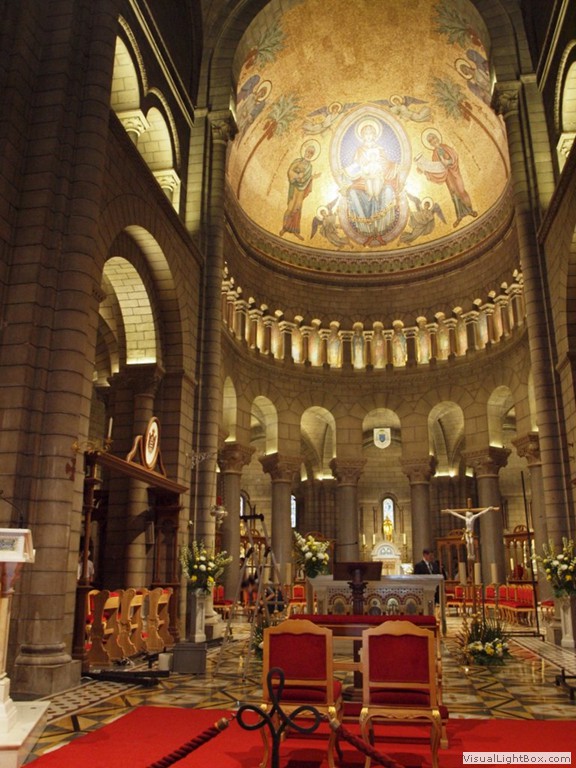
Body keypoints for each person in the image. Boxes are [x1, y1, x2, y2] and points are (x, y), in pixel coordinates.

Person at [341, 118, 399, 246]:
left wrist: (389, 166)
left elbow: (385, 164)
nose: (368, 136)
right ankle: (367, 231)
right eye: (366, 133)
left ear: (374, 135)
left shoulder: (380, 149)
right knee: (353, 193)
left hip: (380, 178)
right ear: (362, 136)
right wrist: (356, 169)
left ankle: (380, 230)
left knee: (388, 190)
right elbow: (356, 166)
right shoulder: (359, 150)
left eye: (370, 133)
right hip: (363, 179)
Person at [415, 129, 477, 228]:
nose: (434, 141)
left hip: (454, 173)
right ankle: (459, 216)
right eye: (431, 141)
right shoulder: (434, 153)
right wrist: (424, 170)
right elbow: (434, 169)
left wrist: (448, 162)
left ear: (437, 138)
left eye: (434, 139)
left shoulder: (445, 147)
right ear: (430, 144)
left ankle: (470, 210)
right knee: (454, 195)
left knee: (461, 191)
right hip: (447, 176)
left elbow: (454, 156)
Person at [279, 140, 321, 240]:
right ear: (305, 151)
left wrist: (313, 177)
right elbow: (290, 172)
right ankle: (284, 227)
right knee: (290, 208)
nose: (309, 154)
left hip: (301, 190)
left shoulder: (310, 166)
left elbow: (306, 179)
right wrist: (298, 176)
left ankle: (295, 230)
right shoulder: (297, 161)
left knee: (297, 209)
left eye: (311, 153)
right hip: (294, 187)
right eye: (308, 151)